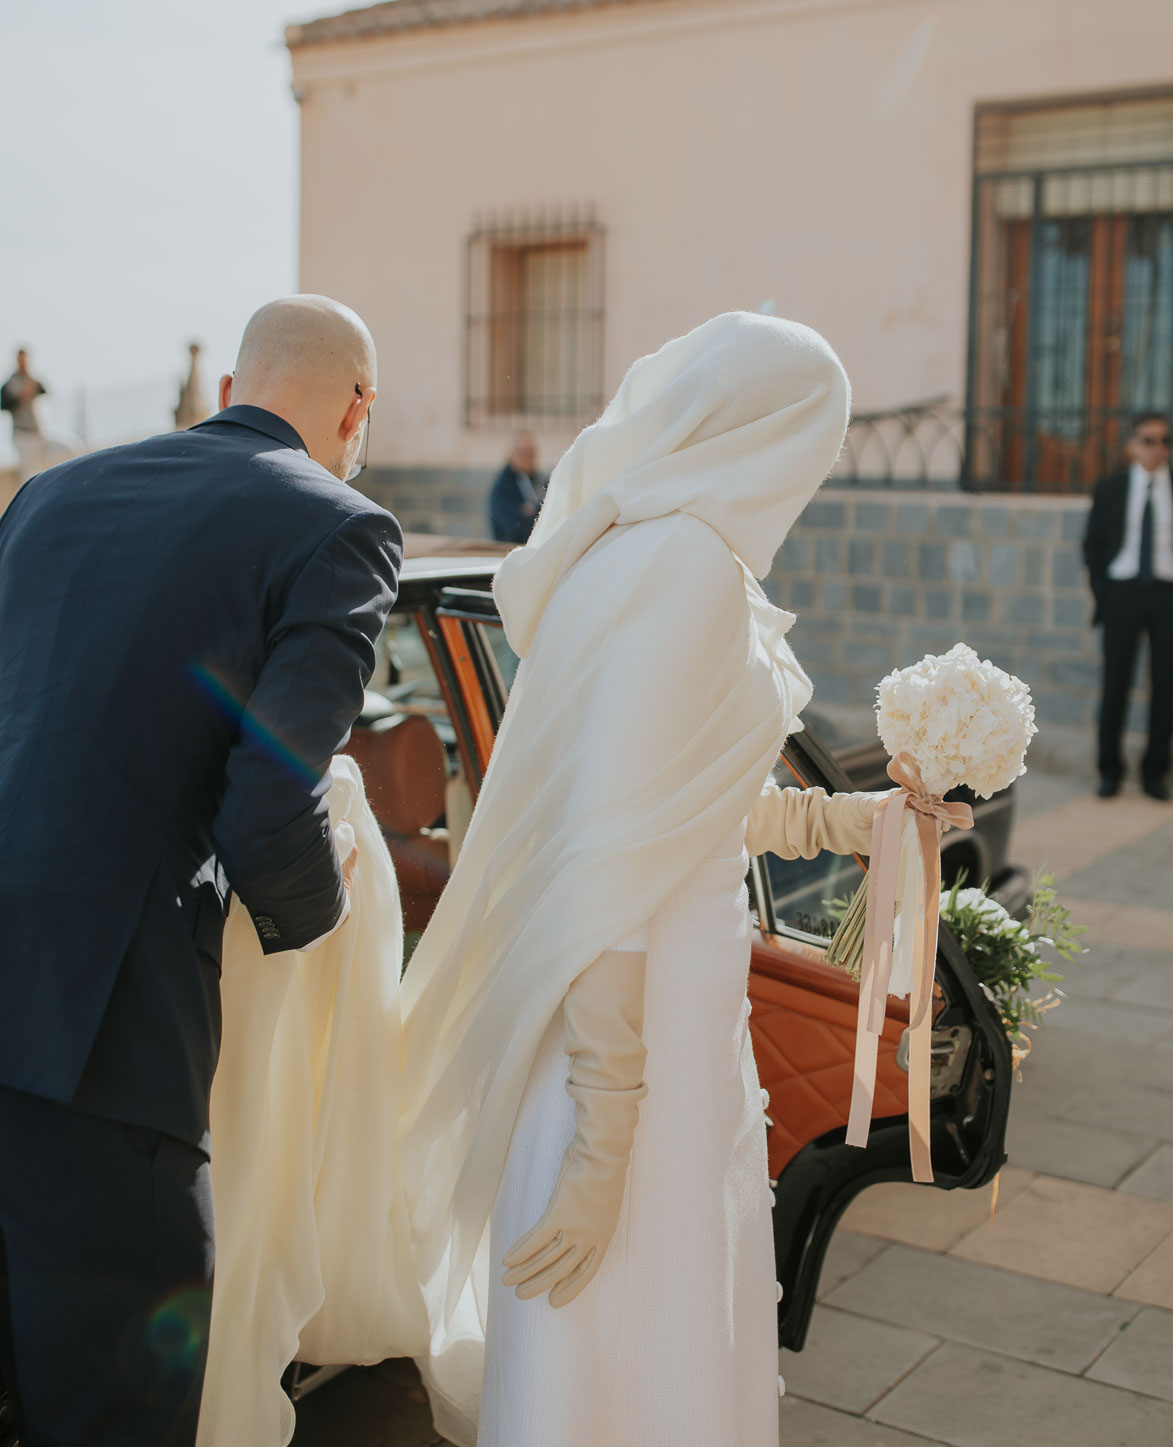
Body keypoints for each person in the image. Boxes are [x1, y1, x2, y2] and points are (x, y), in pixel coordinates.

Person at [397, 312, 896, 1447]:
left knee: (627, 1342)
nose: (815, 473)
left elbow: (677, 801)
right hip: (636, 1040)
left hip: (649, 1023)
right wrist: (606, 1134)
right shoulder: (687, 571)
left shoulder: (633, 548)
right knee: (632, 1333)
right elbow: (608, 863)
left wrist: (845, 819)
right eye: (818, 440)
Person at [0, 295, 403, 1446]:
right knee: (120, 1406)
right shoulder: (341, 527)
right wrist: (327, 927)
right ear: (356, 406)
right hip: (105, 1032)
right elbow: (270, 804)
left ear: (228, 391)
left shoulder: (46, 497)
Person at [1084, 411, 1173, 801]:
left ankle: (1155, 774)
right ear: (1132, 445)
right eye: (1149, 440)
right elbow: (1093, 545)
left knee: (1166, 688)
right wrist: (1104, 592)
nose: (1158, 448)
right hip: (1122, 592)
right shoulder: (1111, 487)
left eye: (1165, 441)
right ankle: (1109, 771)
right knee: (1115, 684)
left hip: (1167, 593)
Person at [1, 347, 48, 483]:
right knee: (29, 474)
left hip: (37, 432)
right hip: (22, 434)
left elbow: (44, 389)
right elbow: (4, 404)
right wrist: (20, 396)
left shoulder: (31, 379)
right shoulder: (10, 383)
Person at [489, 433, 546, 543]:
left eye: (531, 454)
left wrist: (530, 512)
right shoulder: (504, 485)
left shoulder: (539, 480)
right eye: (523, 453)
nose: (527, 458)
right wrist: (533, 514)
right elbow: (512, 524)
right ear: (512, 454)